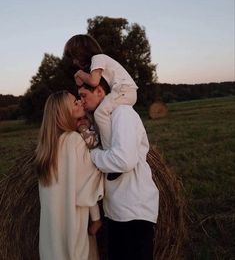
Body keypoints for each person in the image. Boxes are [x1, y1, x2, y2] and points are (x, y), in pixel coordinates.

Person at [78, 80, 159, 260]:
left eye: (84, 95)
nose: (81, 100)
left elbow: (124, 160)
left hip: (134, 208)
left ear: (99, 91)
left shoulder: (122, 113)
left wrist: (92, 156)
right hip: (117, 210)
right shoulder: (102, 119)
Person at [35, 90, 104, 260]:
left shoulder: (45, 149)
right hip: (72, 231)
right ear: (63, 113)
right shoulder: (73, 141)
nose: (81, 102)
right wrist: (96, 219)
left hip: (50, 237)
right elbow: (86, 187)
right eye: (75, 103)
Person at [63, 34, 138, 150]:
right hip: (124, 91)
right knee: (101, 113)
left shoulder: (98, 58)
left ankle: (108, 149)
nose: (74, 62)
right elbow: (85, 84)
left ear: (82, 52)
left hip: (125, 90)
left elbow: (93, 81)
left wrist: (79, 73)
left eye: (75, 57)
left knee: (100, 113)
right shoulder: (98, 62)